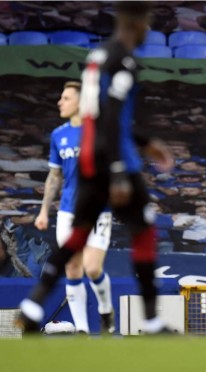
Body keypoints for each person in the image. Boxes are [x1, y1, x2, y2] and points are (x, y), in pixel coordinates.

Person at [17, 2, 175, 335]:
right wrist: (119, 169)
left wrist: (145, 141)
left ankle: (33, 305)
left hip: (90, 160)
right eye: (147, 22)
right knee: (144, 231)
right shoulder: (124, 61)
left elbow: (100, 115)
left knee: (76, 238)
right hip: (115, 161)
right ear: (138, 21)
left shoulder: (98, 56)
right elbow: (113, 116)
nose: (148, 29)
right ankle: (151, 319)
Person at [34, 81, 114, 334]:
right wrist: (44, 210)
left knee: (92, 268)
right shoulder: (59, 134)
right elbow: (55, 176)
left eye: (66, 98)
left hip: (98, 209)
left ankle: (105, 309)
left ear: (81, 101)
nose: (60, 102)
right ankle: (82, 331)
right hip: (68, 211)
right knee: (72, 267)